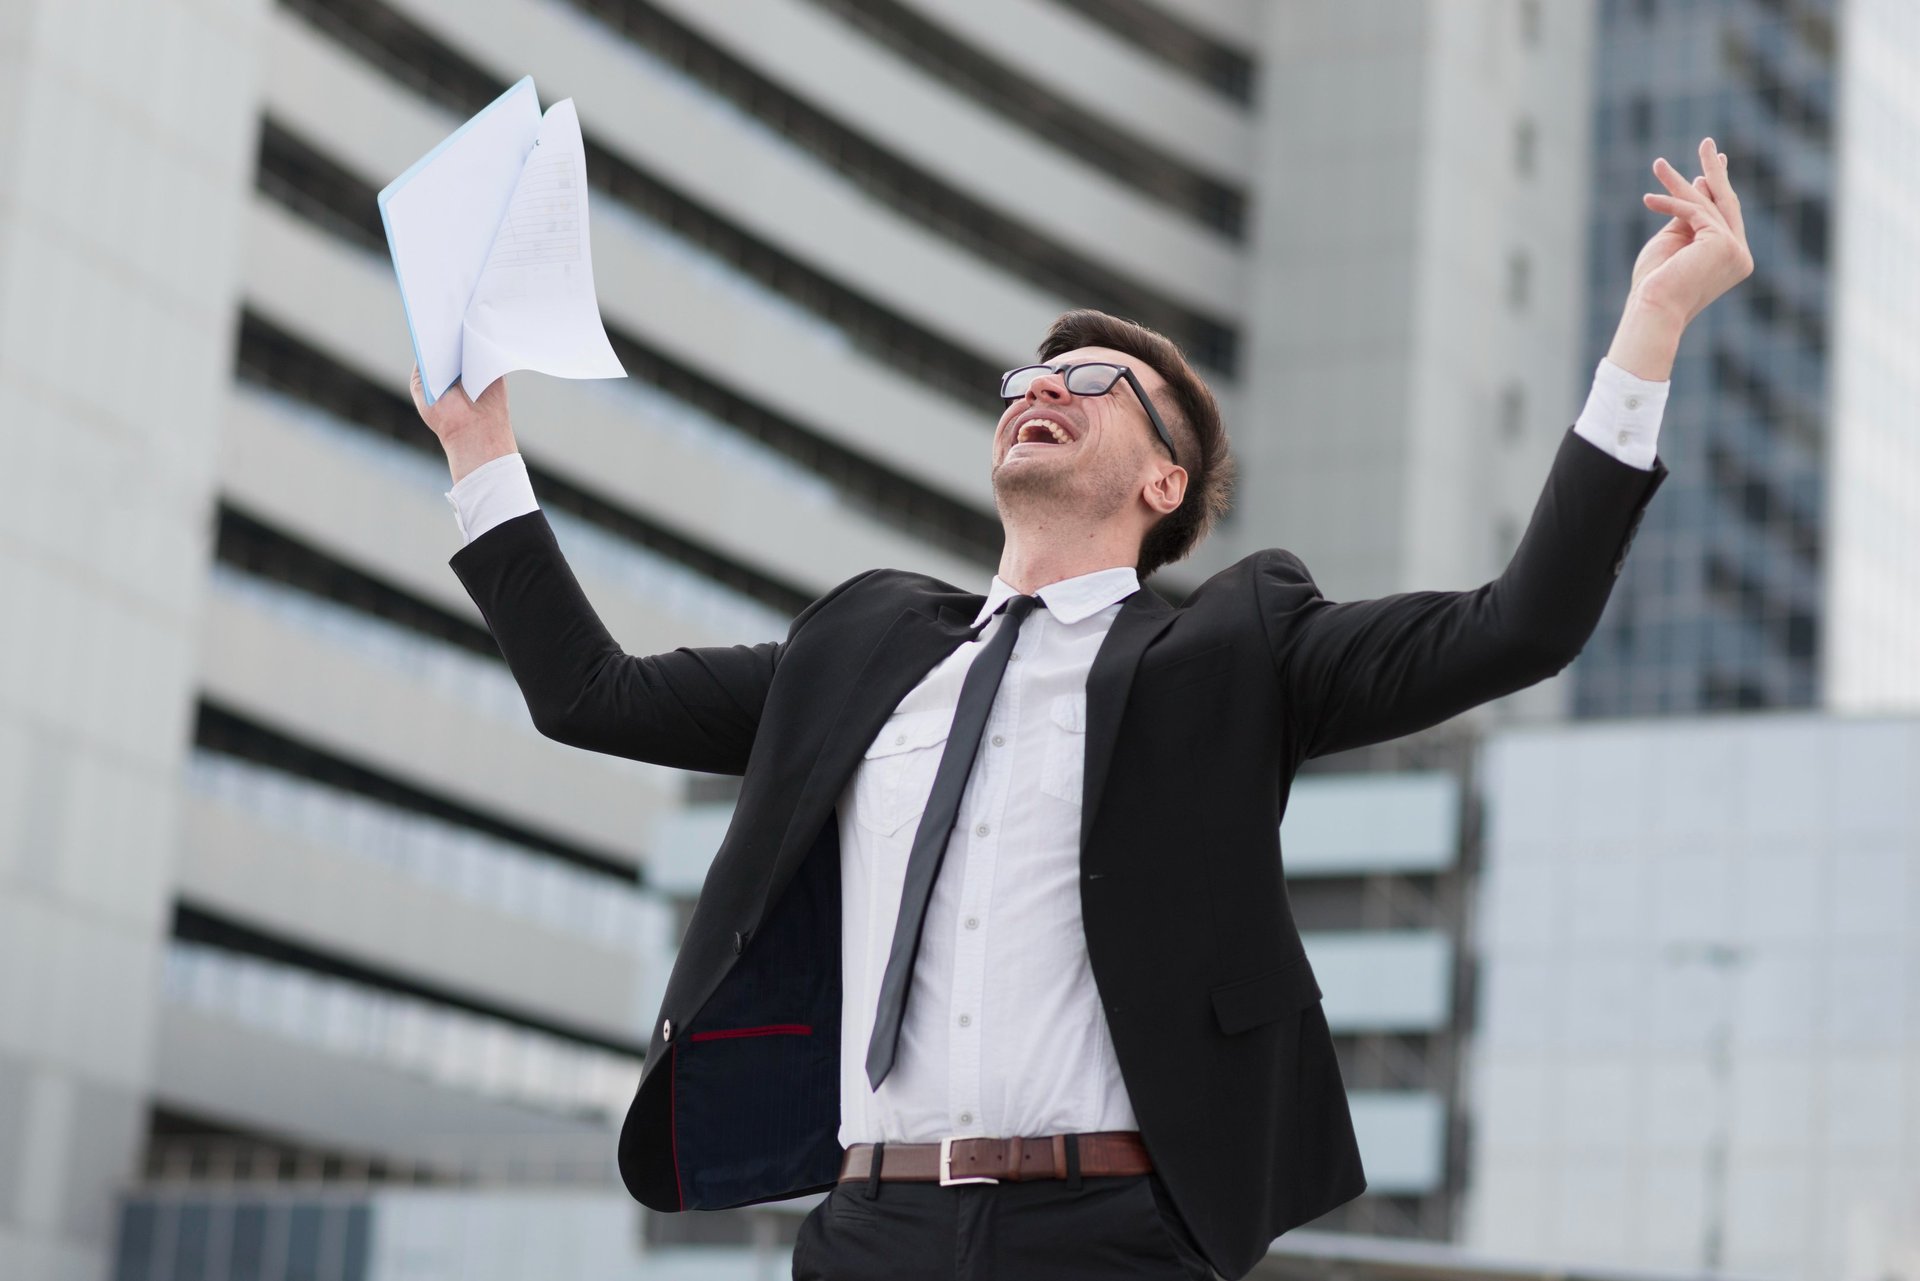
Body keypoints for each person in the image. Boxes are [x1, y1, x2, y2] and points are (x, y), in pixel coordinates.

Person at [410, 138, 1751, 1280]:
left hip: (1106, 1234)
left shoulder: (1234, 650)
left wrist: (1650, 332)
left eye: (1095, 383)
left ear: (1166, 483)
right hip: (867, 1226)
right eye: (1027, 380)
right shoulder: (862, 648)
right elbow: (589, 694)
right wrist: (481, 452)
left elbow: (1520, 623)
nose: (1043, 387)